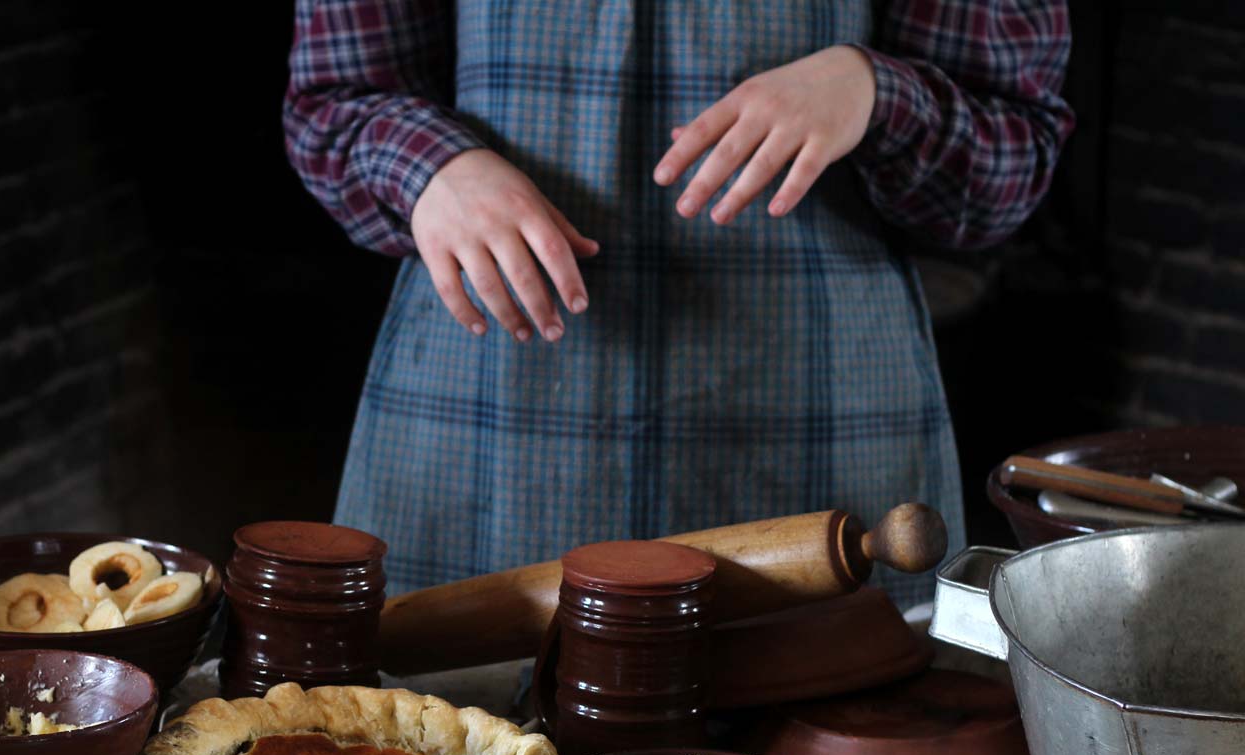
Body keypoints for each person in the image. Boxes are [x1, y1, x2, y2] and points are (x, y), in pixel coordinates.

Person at [284, 0, 1072, 605]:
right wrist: (430, 170)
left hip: (820, 439)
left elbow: (1005, 164)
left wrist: (874, 91)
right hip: (488, 434)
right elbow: (336, 99)